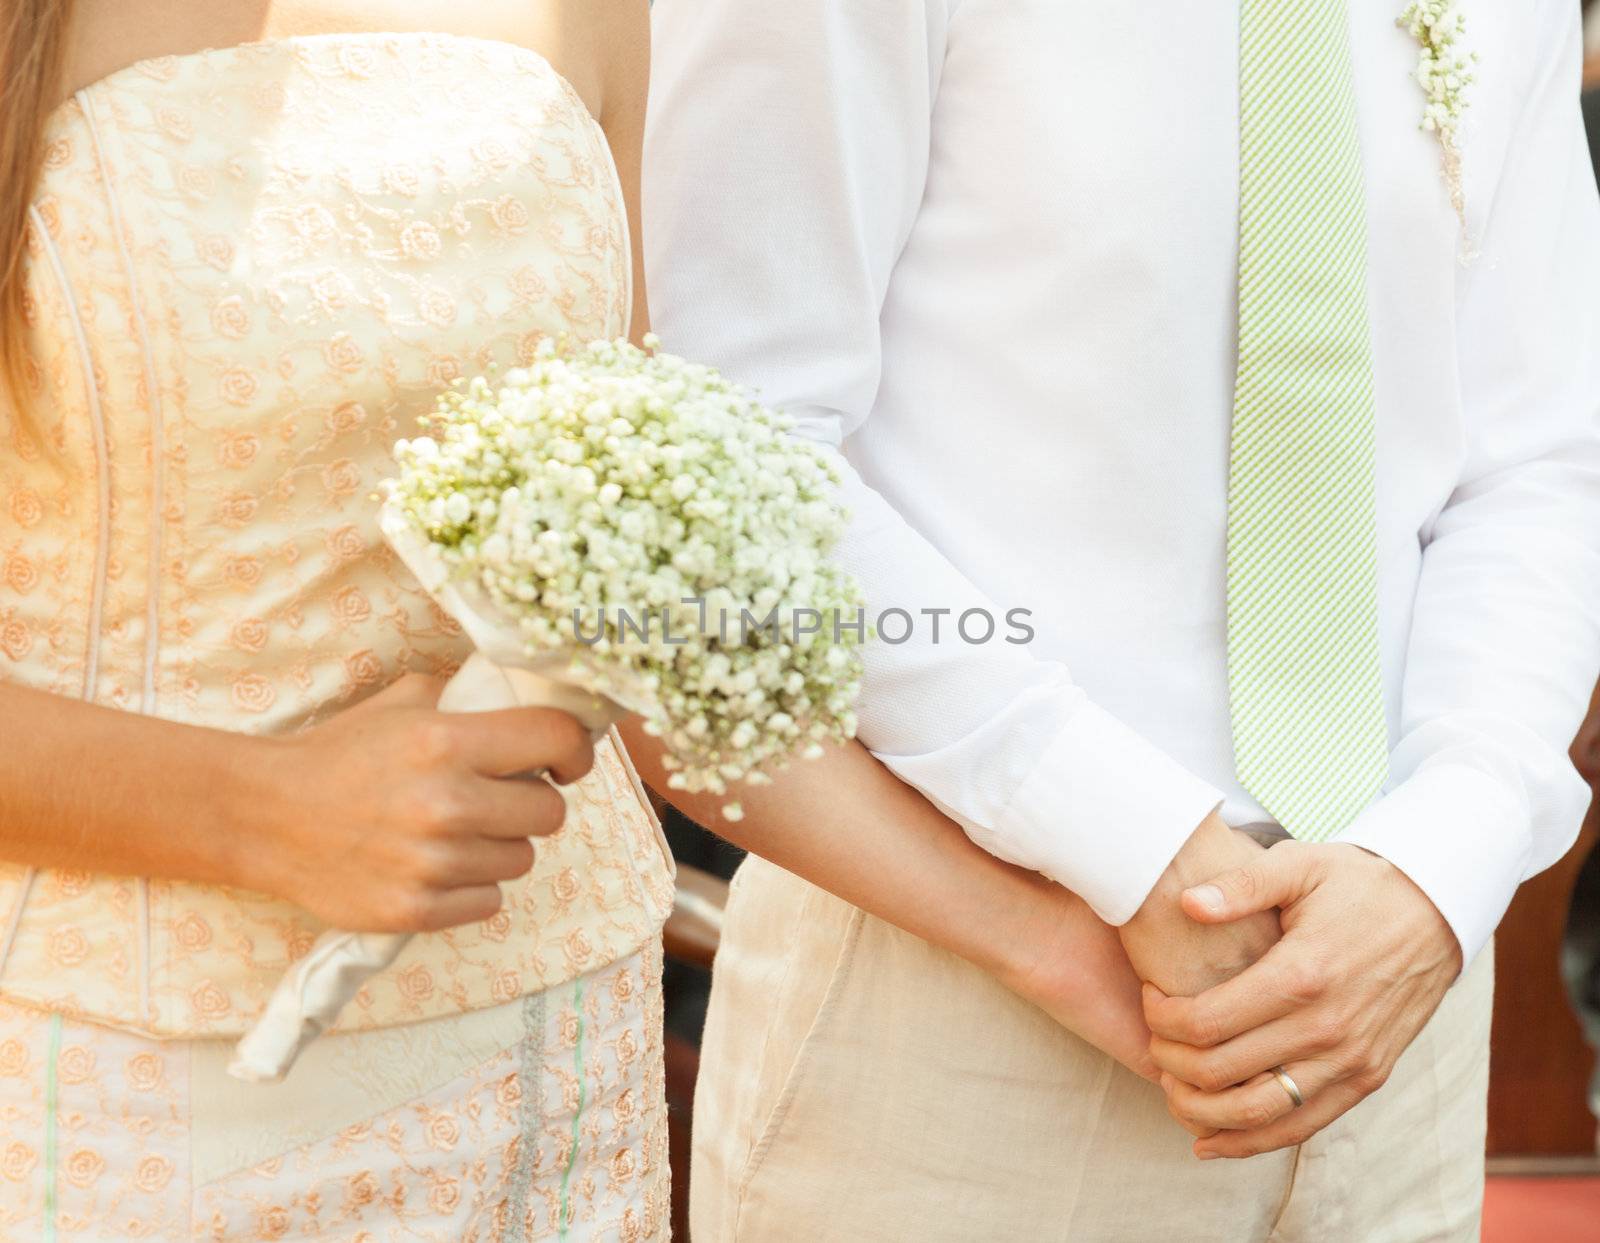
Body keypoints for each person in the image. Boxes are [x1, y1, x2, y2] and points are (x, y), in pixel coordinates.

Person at [0, 3, 1170, 1237]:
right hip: (128, 1076)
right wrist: (256, 809)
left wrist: (1057, 950)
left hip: (552, 1068)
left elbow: (652, 631)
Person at [644, 1, 1600, 1239]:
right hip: (966, 1005)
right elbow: (736, 441)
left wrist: (1441, 853)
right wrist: (1124, 835)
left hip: (1394, 1009)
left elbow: (1540, 457)